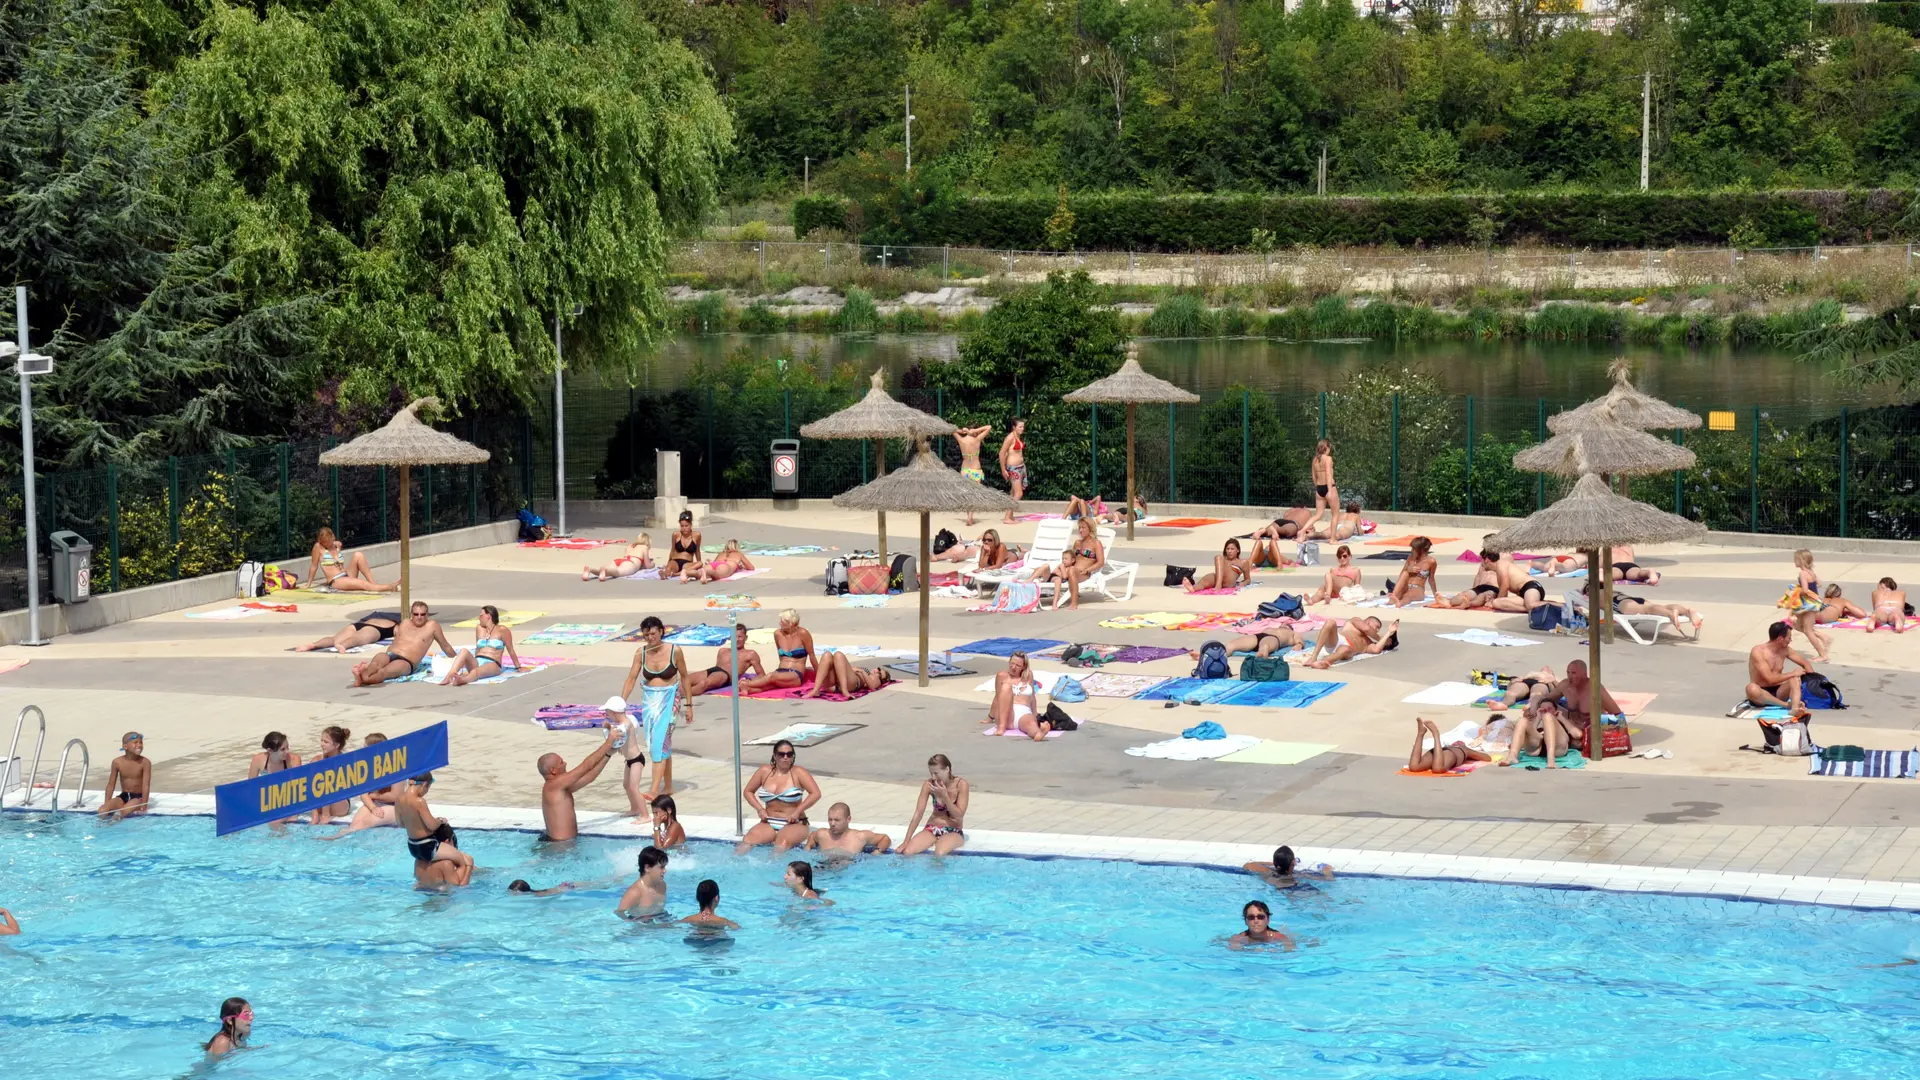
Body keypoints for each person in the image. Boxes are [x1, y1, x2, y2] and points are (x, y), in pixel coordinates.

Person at [619, 616, 693, 799]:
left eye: (653, 633)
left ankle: (654, 789)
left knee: (658, 744)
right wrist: (621, 703)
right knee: (658, 741)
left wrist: (689, 705)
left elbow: (685, 677)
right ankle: (667, 786)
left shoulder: (675, 651)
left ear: (661, 631)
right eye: (646, 635)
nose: (650, 638)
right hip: (649, 701)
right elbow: (631, 679)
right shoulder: (641, 653)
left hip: (670, 699)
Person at [537, 720, 619, 842]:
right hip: (560, 847)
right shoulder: (554, 785)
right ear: (553, 770)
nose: (565, 763)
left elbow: (590, 776)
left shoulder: (560, 788)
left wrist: (608, 754)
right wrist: (608, 742)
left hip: (562, 844)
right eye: (561, 762)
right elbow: (586, 766)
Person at [737, 740, 822, 852]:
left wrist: (797, 812)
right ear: (775, 756)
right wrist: (760, 809)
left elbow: (816, 793)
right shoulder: (764, 771)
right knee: (747, 841)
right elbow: (748, 791)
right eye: (781, 754)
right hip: (769, 822)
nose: (785, 757)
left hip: (794, 823)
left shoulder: (798, 772)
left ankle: (773, 869)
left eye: (789, 754)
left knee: (782, 844)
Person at [351, 601, 457, 687]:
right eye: (416, 614)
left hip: (406, 662)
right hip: (390, 654)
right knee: (375, 664)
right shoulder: (405, 622)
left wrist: (457, 659)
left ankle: (362, 678)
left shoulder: (432, 626)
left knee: (384, 672)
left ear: (427, 615)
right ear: (412, 615)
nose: (419, 617)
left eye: (422, 614)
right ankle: (363, 675)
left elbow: (445, 645)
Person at [396, 773, 473, 889]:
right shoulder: (419, 801)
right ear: (425, 785)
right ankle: (458, 885)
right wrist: (440, 820)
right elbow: (431, 825)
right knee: (463, 862)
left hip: (412, 846)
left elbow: (400, 824)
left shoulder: (399, 799)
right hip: (427, 845)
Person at [320, 733, 399, 839]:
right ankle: (340, 839)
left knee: (364, 823)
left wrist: (374, 796)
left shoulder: (396, 766)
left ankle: (335, 838)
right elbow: (363, 794)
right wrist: (373, 806)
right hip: (375, 803)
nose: (362, 750)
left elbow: (395, 796)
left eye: (365, 747)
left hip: (394, 806)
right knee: (354, 824)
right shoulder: (368, 766)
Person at [1577, 584, 1705, 642]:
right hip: (1632, 599)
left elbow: (1597, 608)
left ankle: (1670, 614)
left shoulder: (1596, 594)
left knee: (1648, 610)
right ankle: (1687, 611)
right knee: (1657, 607)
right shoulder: (1610, 589)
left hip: (1622, 604)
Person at [901, 753, 968, 856]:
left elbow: (959, 815)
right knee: (908, 852)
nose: (933, 777)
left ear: (947, 769)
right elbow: (918, 813)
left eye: (936, 773)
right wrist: (906, 841)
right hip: (932, 828)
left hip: (953, 831)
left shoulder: (961, 785)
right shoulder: (929, 785)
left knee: (939, 853)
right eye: (931, 773)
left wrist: (945, 797)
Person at [440, 604, 524, 686]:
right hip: (478, 660)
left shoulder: (503, 630)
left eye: (481, 615)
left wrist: (518, 668)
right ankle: (450, 675)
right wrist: (471, 661)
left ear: (489, 616)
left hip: (493, 663)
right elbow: (477, 648)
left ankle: (461, 680)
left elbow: (511, 650)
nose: (479, 617)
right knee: (464, 651)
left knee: (475, 672)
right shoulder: (479, 628)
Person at [1747, 620, 1817, 717]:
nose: (1790, 641)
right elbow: (1770, 679)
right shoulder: (1758, 652)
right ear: (1780, 638)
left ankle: (1794, 709)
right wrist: (1792, 673)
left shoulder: (1785, 650)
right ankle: (1786, 705)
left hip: (1779, 691)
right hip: (1761, 692)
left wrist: (1814, 683)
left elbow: (1805, 663)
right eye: (1789, 638)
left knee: (1795, 679)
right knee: (1751, 688)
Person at [739, 608, 815, 694]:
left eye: (782, 622)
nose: (780, 623)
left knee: (771, 676)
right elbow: (781, 657)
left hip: (795, 674)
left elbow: (812, 656)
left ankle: (746, 684)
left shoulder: (803, 633)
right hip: (780, 671)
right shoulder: (777, 634)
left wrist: (821, 677)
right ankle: (748, 690)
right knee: (768, 686)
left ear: (791, 623)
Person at [303, 527, 399, 592]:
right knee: (362, 584)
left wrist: (334, 543)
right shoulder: (318, 547)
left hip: (346, 574)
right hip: (336, 580)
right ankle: (389, 586)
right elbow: (314, 566)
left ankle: (373, 584)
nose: (327, 544)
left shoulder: (337, 545)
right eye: (325, 542)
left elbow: (337, 543)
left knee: (358, 555)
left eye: (329, 541)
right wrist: (308, 584)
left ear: (333, 537)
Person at [986, 651, 1049, 738]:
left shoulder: (1028, 675)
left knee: (1031, 723)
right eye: (1012, 664)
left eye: (1018, 665)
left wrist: (1035, 715)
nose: (1013, 667)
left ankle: (1038, 733)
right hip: (1007, 713)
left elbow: (1032, 698)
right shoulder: (1002, 675)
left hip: (1024, 712)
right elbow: (997, 698)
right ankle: (1002, 727)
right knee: (1006, 687)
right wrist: (989, 717)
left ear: (1024, 667)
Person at [1505, 699, 1583, 766]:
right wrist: (1538, 718)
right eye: (1543, 709)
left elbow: (1578, 735)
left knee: (1547, 717)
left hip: (1557, 748)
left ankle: (1550, 758)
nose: (1546, 711)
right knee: (1523, 720)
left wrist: (1561, 718)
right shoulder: (1536, 720)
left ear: (1556, 709)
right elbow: (1526, 735)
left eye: (1549, 708)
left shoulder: (1565, 720)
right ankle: (1512, 756)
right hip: (1536, 749)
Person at [1051, 517, 1106, 611]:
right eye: (1079, 527)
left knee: (1072, 570)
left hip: (1082, 573)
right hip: (1069, 571)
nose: (1080, 530)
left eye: (1083, 527)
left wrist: (1088, 570)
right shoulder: (1077, 543)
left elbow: (1100, 562)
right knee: (1046, 568)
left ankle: (1074, 603)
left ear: (1090, 528)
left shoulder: (1096, 543)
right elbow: (1071, 558)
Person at [1787, 548, 1832, 661]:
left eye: (1796, 559)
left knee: (1807, 630)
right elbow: (1819, 584)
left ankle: (1822, 655)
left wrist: (1795, 591)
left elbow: (1806, 590)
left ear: (1801, 560)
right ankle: (1823, 637)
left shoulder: (1803, 573)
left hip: (1808, 604)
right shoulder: (1811, 572)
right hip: (1812, 603)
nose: (1794, 562)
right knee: (1797, 625)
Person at [1552, 659, 1620, 733]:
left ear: (1584, 674)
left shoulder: (1595, 689)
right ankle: (1549, 679)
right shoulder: (1565, 685)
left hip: (1591, 731)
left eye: (1574, 673)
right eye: (1568, 672)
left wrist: (1596, 729)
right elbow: (1547, 699)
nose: (1570, 677)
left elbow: (1618, 717)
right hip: (1572, 727)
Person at [1303, 616, 1398, 669]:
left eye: (1378, 629)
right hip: (1337, 640)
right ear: (1368, 621)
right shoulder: (1355, 621)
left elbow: (1376, 649)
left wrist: (1389, 633)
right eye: (1376, 626)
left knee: (1346, 649)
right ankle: (1313, 657)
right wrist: (1380, 638)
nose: (1377, 630)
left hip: (1348, 650)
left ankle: (1324, 662)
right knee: (1330, 622)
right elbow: (1366, 629)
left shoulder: (1368, 642)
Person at [1407, 716, 1493, 774]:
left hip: (1439, 752)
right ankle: (1434, 734)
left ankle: (1421, 734)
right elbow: (1487, 758)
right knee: (1436, 769)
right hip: (1444, 753)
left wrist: (1466, 749)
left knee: (1414, 767)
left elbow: (1487, 758)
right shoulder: (1463, 750)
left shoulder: (1464, 749)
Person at [805, 802, 894, 854]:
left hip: (849, 871)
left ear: (848, 819)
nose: (832, 824)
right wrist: (808, 846)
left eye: (837, 820)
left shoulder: (859, 836)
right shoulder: (822, 834)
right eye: (830, 819)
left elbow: (885, 838)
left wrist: (878, 852)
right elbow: (812, 836)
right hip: (823, 869)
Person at [98, 731, 151, 819]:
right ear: (125, 746)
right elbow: (111, 785)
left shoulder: (145, 763)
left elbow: (146, 786)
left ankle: (112, 827)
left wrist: (144, 804)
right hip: (124, 796)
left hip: (137, 798)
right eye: (135, 742)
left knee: (120, 813)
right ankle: (101, 830)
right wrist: (107, 803)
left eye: (141, 742)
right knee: (102, 810)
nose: (139, 745)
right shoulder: (117, 762)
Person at [803, 650, 895, 699]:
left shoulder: (873, 678)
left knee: (838, 655)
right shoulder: (867, 671)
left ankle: (844, 690)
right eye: (879, 669)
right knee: (827, 654)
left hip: (852, 684)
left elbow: (872, 686)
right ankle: (816, 689)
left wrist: (862, 672)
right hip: (833, 684)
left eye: (879, 674)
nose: (877, 672)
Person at [309, 725, 353, 825]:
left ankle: (326, 815)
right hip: (319, 802)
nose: (322, 744)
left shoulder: (345, 761)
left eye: (326, 742)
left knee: (327, 781)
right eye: (321, 741)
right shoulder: (316, 760)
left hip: (339, 803)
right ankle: (315, 815)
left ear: (337, 745)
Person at [294, 612, 399, 653]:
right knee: (356, 639)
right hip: (376, 629)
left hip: (358, 624)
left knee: (334, 639)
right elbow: (401, 634)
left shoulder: (377, 616)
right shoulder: (398, 625)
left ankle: (313, 645)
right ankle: (343, 646)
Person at [1430, 552, 1503, 610]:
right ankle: (1449, 602)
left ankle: (1469, 603)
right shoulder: (1484, 563)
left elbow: (1505, 584)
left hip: (1494, 588)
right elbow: (1478, 576)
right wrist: (1474, 590)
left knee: (1482, 595)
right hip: (1481, 587)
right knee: (1464, 594)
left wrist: (1499, 599)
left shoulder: (1500, 563)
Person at [1243, 845, 1336, 890]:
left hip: (1277, 887)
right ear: (1293, 863)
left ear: (1275, 862)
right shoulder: (1301, 875)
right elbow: (1329, 879)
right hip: (1294, 888)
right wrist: (1327, 870)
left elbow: (1247, 865)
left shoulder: (1266, 871)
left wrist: (1273, 863)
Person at [617, 845, 670, 920]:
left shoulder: (662, 885)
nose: (665, 871)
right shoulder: (635, 892)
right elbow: (619, 912)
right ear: (647, 868)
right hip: (641, 925)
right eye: (661, 867)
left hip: (661, 917)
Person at [955, 424, 993, 525]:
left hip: (965, 470)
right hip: (976, 470)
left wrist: (962, 431)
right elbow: (989, 427)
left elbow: (951, 430)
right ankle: (971, 516)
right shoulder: (977, 440)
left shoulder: (961, 441)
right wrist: (974, 430)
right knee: (974, 494)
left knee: (967, 494)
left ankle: (968, 516)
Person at [1248, 509, 1313, 567]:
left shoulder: (1289, 511)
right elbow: (1290, 562)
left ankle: (1264, 530)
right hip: (1293, 524)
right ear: (1304, 506)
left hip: (1279, 521)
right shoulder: (1306, 511)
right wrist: (1307, 529)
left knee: (1262, 539)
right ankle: (1275, 531)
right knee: (1285, 532)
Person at [1190, 628, 1297, 663]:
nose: (1284, 623)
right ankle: (1208, 656)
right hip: (1258, 636)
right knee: (1232, 645)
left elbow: (1300, 641)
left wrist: (1299, 645)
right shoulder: (1273, 627)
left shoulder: (1291, 633)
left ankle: (1261, 660)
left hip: (1273, 639)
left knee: (1265, 646)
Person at [1186, 538, 1252, 593]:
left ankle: (1218, 586)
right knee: (1208, 578)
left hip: (1229, 582)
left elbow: (1248, 579)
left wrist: (1243, 583)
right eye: (1227, 549)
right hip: (1219, 579)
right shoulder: (1223, 560)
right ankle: (1193, 588)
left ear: (1238, 550)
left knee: (1219, 558)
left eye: (1232, 549)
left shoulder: (1243, 562)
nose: (1229, 551)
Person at [932, 527, 1015, 570]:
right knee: (958, 550)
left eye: (989, 540)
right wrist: (987, 554)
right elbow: (981, 566)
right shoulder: (984, 548)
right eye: (984, 540)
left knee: (1022, 555)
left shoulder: (1001, 546)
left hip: (1012, 555)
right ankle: (936, 557)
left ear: (995, 540)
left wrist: (984, 569)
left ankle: (1022, 551)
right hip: (971, 547)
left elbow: (998, 566)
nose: (986, 542)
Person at [1389, 536, 1437, 607]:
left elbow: (1431, 580)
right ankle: (1393, 596)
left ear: (1421, 550)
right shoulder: (1410, 558)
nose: (1411, 550)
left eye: (1414, 549)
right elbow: (1401, 576)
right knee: (1405, 573)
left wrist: (1436, 594)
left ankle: (1400, 603)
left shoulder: (1431, 562)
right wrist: (1408, 570)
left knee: (1408, 596)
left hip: (1417, 588)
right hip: (1406, 586)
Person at [1302, 440, 1338, 537]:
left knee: (1318, 515)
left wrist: (1317, 487)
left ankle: (1302, 531)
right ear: (1326, 448)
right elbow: (1328, 474)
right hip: (1329, 487)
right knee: (1335, 514)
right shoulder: (1328, 459)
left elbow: (1314, 477)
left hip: (1319, 488)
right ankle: (1332, 539)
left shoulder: (1315, 460)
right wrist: (1330, 491)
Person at [584, 533, 653, 581]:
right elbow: (647, 565)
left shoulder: (630, 546)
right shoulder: (644, 547)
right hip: (630, 563)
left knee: (605, 571)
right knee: (617, 572)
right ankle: (604, 570)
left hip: (621, 561)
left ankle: (591, 569)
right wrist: (652, 564)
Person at [1229, 900, 1295, 949]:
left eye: (1260, 917)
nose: (1256, 921)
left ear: (1268, 919)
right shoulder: (1238, 938)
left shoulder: (1278, 937)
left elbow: (1290, 952)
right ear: (1245, 921)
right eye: (1251, 917)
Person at [686, 538, 754, 584]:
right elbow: (751, 568)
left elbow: (714, 564)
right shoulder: (738, 554)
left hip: (715, 564)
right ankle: (707, 572)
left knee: (699, 574)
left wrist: (709, 562)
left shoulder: (721, 554)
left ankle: (687, 573)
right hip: (726, 566)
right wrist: (742, 567)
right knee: (717, 575)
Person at [999, 418, 1029, 523]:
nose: (1022, 428)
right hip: (1014, 469)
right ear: (1014, 427)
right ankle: (1007, 517)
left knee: (1013, 493)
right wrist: (1003, 469)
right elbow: (1001, 453)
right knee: (1018, 493)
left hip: (1020, 467)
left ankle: (1010, 516)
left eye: (1023, 426)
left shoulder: (1017, 436)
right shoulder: (1010, 437)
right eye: (1020, 427)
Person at [664, 511, 703, 578]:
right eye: (682, 526)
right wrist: (668, 563)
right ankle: (666, 573)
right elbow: (672, 550)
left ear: (691, 525)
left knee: (700, 563)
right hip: (675, 561)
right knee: (668, 569)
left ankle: (677, 574)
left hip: (687, 563)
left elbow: (697, 551)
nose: (684, 528)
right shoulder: (676, 535)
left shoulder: (697, 535)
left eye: (686, 526)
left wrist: (699, 563)